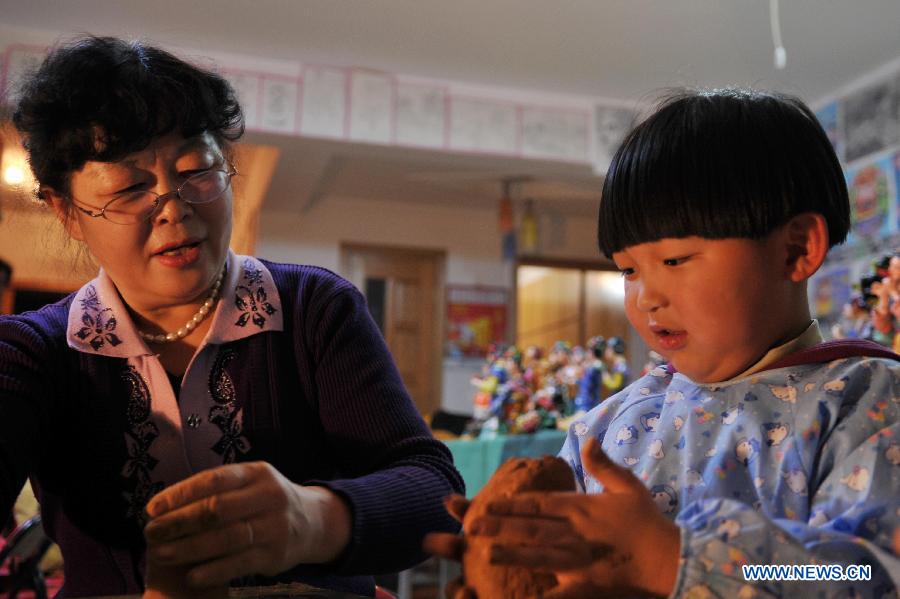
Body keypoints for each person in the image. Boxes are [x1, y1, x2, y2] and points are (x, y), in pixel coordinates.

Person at [0, 36, 463, 598]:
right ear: (67, 211)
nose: (174, 206)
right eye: (129, 188)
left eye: (196, 169)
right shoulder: (33, 353)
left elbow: (434, 492)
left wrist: (311, 520)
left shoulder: (314, 309)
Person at [427, 89, 900, 597]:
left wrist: (672, 559)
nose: (646, 296)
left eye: (675, 260)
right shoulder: (605, 428)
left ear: (795, 249)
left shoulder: (866, 405)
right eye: (628, 269)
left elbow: (862, 573)